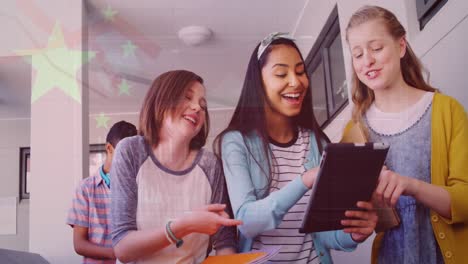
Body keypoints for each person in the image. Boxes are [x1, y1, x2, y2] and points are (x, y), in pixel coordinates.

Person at [215, 32, 378, 264]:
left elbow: (324, 234)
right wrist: (304, 181)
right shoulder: (236, 142)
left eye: (301, 71)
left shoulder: (316, 142)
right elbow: (246, 222)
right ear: (258, 83)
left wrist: (354, 234)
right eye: (281, 73)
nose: (296, 81)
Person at [343, 5, 468, 263]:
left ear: (401, 46)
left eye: (376, 48)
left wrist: (411, 186)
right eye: (357, 54)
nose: (367, 60)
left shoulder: (446, 110)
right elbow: (352, 216)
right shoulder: (354, 131)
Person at [110, 70, 241, 263]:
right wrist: (183, 226)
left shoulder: (210, 164)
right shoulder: (131, 151)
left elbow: (225, 242)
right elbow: (122, 247)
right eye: (187, 97)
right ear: (161, 100)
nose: (197, 107)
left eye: (203, 105)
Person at [67, 120, 138, 263]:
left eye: (132, 155)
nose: (128, 161)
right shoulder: (86, 189)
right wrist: (117, 254)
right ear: (109, 148)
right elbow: (79, 244)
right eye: (123, 154)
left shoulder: (139, 187)